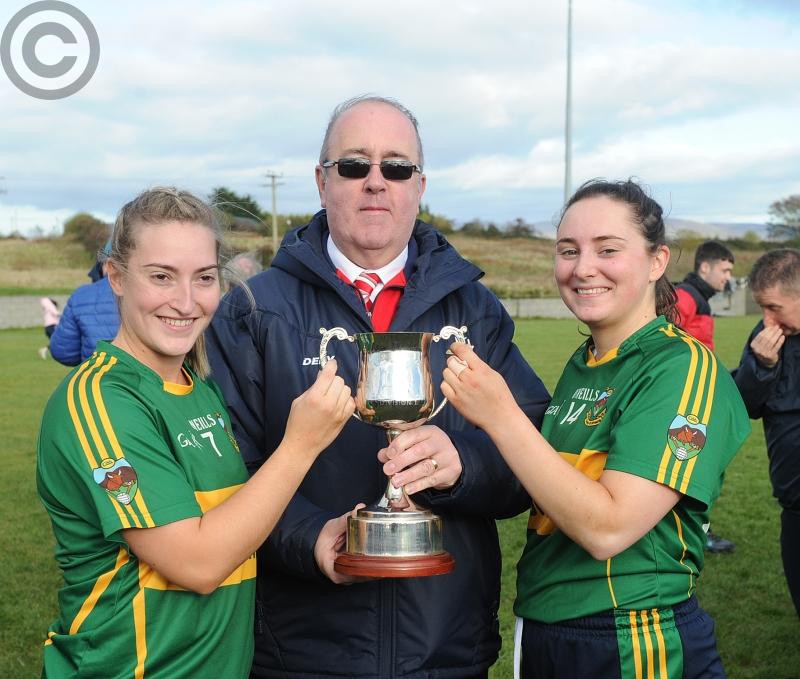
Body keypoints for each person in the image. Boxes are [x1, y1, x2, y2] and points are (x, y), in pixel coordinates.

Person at [205, 95, 550, 678]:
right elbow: (220, 473)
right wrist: (310, 537)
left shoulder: (476, 310)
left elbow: (537, 457)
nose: (375, 182)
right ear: (321, 182)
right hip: (300, 651)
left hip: (446, 650)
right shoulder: (252, 311)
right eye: (353, 165)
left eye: (395, 167)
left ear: (418, 185)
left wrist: (462, 465)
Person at [36, 187, 354, 678]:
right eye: (161, 276)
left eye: (203, 277)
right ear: (116, 277)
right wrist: (300, 444)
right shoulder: (101, 400)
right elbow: (200, 564)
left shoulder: (199, 389)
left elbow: (231, 521)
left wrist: (315, 538)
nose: (185, 301)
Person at [438, 179, 750, 678]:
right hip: (543, 624)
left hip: (629, 634)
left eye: (608, 249)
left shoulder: (681, 366)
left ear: (656, 261)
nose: (583, 268)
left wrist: (500, 415)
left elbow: (608, 529)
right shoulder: (584, 364)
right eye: (568, 251)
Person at [732, 248, 800, 617]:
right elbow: (746, 406)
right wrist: (761, 366)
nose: (767, 319)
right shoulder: (766, 337)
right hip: (794, 503)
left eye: (774, 307)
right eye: (761, 308)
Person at [675, 240, 736, 553]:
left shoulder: (699, 297)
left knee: (700, 468)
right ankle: (695, 535)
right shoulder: (685, 296)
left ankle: (696, 532)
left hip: (696, 397)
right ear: (705, 267)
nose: (727, 276)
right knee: (697, 469)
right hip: (683, 401)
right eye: (724, 269)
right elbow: (667, 340)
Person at [49, 241, 121, 366]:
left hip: (94, 380)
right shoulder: (157, 292)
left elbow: (62, 352)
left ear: (106, 264)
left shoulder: (82, 295)